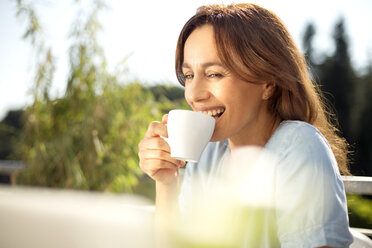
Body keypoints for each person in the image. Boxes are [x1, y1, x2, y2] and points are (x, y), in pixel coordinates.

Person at [138, 3, 354, 247]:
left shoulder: (300, 146)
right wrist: (166, 183)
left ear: (268, 83)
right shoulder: (209, 154)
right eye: (189, 76)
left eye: (214, 74)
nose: (194, 95)